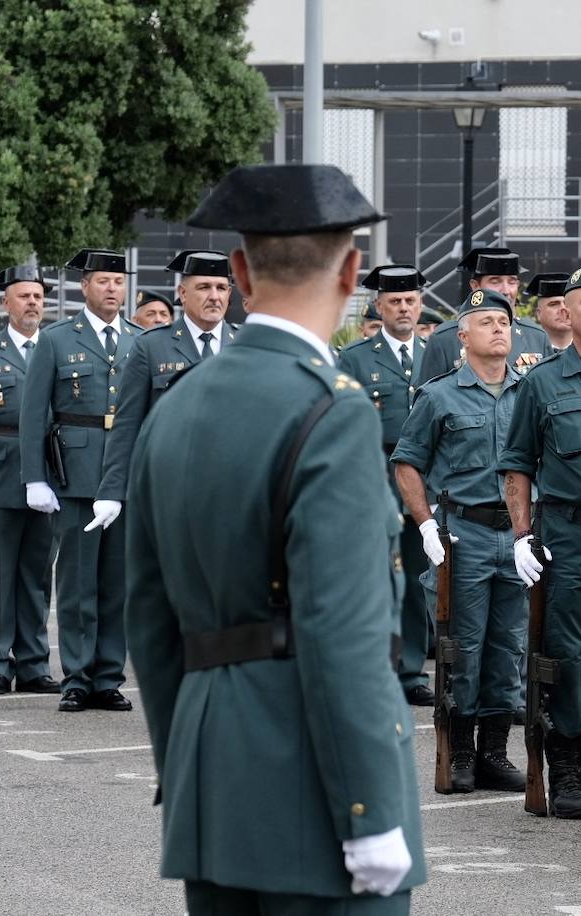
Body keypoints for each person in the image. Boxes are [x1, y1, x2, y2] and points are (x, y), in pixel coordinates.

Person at [125, 163, 425, 913]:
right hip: (316, 803)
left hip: (211, 783)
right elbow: (344, 630)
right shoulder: (335, 410)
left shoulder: (178, 406)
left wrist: (185, 763)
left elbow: (151, 620)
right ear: (353, 271)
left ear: (239, 271)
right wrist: (370, 814)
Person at [392, 288, 526, 793]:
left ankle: (494, 752)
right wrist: (426, 524)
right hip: (462, 534)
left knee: (508, 648)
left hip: (514, 535)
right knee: (461, 650)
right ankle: (461, 754)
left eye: (504, 322)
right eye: (486, 322)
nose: (498, 329)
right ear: (462, 337)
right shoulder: (438, 395)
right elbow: (407, 463)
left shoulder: (526, 391)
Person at [499, 267, 581, 819]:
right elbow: (518, 465)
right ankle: (566, 762)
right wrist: (523, 535)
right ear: (565, 315)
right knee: (566, 652)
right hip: (568, 532)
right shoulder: (540, 382)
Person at [19, 248, 140, 713]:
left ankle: (108, 675)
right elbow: (34, 415)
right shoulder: (55, 339)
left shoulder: (137, 340)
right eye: (103, 281)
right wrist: (35, 477)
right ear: (85, 287)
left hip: (122, 475)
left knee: (117, 582)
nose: (112, 288)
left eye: (118, 281)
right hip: (74, 475)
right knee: (76, 582)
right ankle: (76, 674)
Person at [339, 265, 433, 706]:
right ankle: (373, 665)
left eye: (410, 300)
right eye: (394, 301)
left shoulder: (437, 354)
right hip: (376, 475)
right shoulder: (355, 358)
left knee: (416, 578)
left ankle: (410, 668)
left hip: (425, 481)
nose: (403, 308)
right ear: (379, 306)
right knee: (374, 579)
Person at [98, 250, 235, 508]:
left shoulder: (245, 345)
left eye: (222, 287)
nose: (214, 296)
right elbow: (127, 424)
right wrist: (111, 491)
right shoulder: (151, 346)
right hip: (167, 486)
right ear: (183, 294)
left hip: (230, 488)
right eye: (204, 287)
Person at [0, 266, 58, 695]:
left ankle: (34, 663)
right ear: (4, 303)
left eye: (38, 296)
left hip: (50, 473)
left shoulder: (55, 348)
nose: (33, 303)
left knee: (37, 573)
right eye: (24, 296)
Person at [420, 248, 550, 381]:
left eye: (511, 282)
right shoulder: (444, 340)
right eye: (495, 281)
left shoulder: (537, 337)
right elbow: (429, 396)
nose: (505, 290)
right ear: (475, 286)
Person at [526, 272, 572, 353]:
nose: (563, 308)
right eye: (554, 304)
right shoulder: (526, 350)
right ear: (539, 314)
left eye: (567, 303)